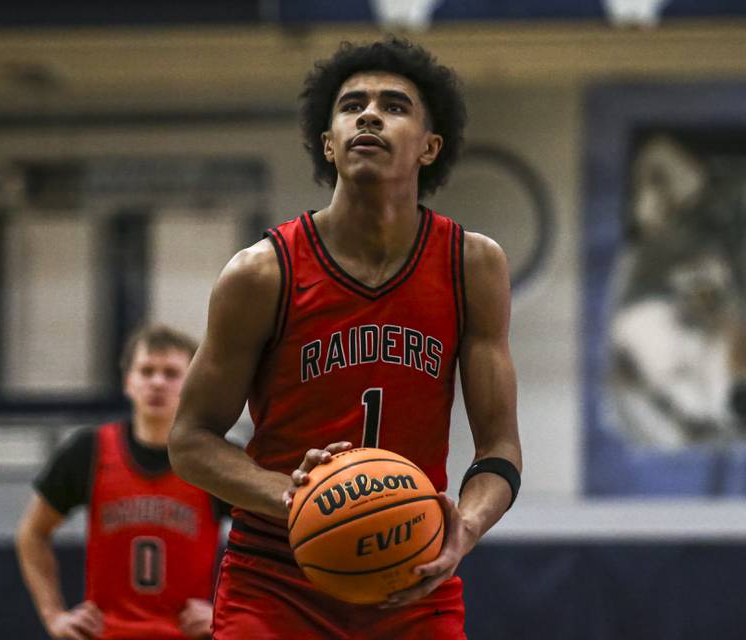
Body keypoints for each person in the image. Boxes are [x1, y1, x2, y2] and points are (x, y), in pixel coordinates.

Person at [169, 37, 522, 639]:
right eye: (352, 104)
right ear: (328, 143)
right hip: (276, 579)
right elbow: (189, 441)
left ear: (430, 148)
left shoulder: (472, 266)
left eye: (395, 105)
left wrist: (465, 524)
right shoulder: (262, 272)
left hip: (413, 569)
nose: (369, 114)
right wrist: (292, 495)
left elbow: (500, 448)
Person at [16, 325, 227, 640]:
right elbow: (32, 534)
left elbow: (267, 546)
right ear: (128, 382)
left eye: (171, 373)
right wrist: (53, 616)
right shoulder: (89, 450)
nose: (157, 382)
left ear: (193, 384)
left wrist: (225, 611)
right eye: (146, 371)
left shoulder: (215, 459)